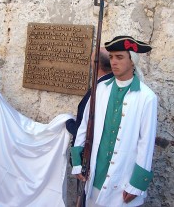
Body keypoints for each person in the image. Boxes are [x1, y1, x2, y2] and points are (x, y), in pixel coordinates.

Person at [71, 36, 157, 207]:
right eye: (111, 57)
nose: (114, 62)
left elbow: (146, 143)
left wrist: (137, 184)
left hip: (124, 182)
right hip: (94, 174)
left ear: (132, 61)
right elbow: (84, 126)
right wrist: (77, 161)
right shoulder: (100, 89)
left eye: (119, 57)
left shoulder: (147, 98)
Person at [66, 47, 113, 148]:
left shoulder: (97, 91)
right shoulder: (113, 86)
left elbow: (84, 128)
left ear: (96, 65)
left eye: (91, 60)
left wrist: (68, 123)